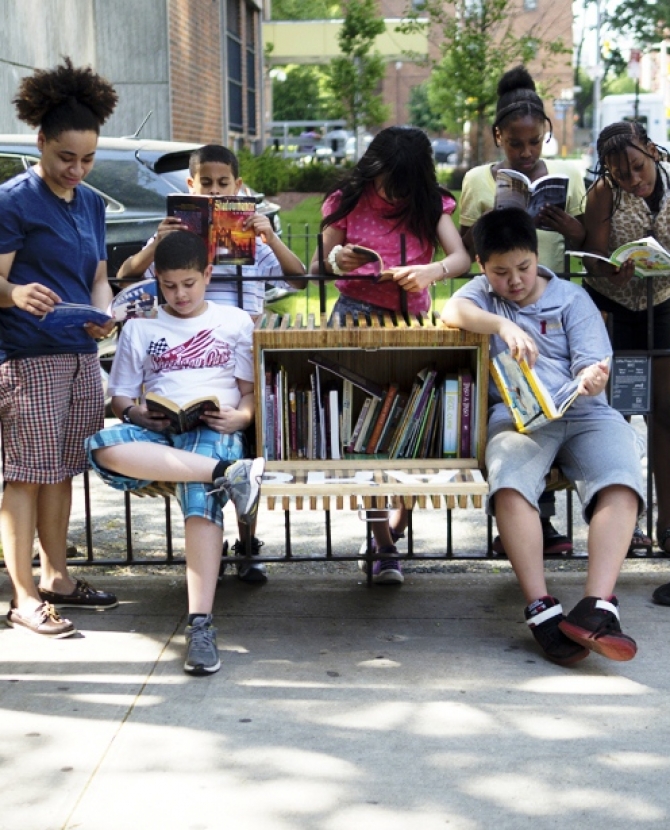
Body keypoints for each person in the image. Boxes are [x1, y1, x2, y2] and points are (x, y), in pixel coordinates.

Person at [441, 207, 644, 666]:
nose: (514, 281)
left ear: (536, 256)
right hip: (520, 420)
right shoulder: (485, 299)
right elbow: (451, 308)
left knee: (621, 476)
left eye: (524, 268)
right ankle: (540, 607)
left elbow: (594, 364)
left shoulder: (572, 299)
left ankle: (597, 606)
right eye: (500, 272)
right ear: (482, 267)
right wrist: (503, 324)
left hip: (585, 411)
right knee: (509, 483)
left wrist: (592, 377)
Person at [118, 144, 306, 582]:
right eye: (207, 183)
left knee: (249, 447)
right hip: (194, 361)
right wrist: (155, 244)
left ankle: (248, 543)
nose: (216, 189)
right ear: (191, 187)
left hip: (241, 351)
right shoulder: (176, 246)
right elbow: (126, 277)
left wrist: (270, 237)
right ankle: (211, 539)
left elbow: (298, 278)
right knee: (200, 446)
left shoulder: (255, 247)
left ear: (238, 187)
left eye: (224, 183)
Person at [87, 230, 265, 676]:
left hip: (213, 426)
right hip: (162, 432)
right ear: (156, 279)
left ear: (207, 274)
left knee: (198, 493)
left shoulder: (235, 321)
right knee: (102, 446)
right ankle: (231, 472)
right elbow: (120, 399)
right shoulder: (141, 328)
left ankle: (200, 623)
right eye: (169, 286)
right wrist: (137, 414)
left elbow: (249, 398)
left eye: (189, 283)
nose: (180, 294)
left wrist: (240, 420)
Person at [308, 125, 471, 585]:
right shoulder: (348, 198)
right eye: (384, 180)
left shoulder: (428, 201)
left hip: (412, 321)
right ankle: (382, 541)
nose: (389, 192)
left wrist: (430, 271)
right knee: (365, 432)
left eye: (399, 183)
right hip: (355, 316)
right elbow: (319, 266)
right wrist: (337, 260)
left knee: (412, 428)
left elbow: (460, 258)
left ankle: (392, 532)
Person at [0, 58, 119, 638]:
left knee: (64, 469)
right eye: (66, 157)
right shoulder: (13, 200)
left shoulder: (92, 203)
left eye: (88, 158)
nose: (77, 169)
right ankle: (23, 597)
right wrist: (15, 291)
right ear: (40, 142)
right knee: (25, 474)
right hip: (26, 359)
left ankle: (58, 578)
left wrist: (103, 313)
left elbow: (98, 274)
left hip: (77, 353)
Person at [459, 65, 592, 558]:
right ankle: (512, 522)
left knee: (555, 404)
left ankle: (547, 523)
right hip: (501, 302)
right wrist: (496, 217)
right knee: (513, 413)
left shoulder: (569, 176)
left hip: (553, 304)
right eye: (517, 145)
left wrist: (569, 227)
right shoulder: (477, 179)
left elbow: (583, 244)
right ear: (499, 138)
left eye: (535, 143)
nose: (528, 153)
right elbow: (466, 248)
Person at [582, 121, 670, 570]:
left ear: (652, 151)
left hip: (666, 306)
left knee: (666, 414)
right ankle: (623, 523)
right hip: (618, 311)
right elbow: (596, 259)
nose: (634, 180)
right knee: (615, 420)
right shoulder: (603, 193)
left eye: (638, 167)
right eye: (622, 174)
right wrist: (610, 272)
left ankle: (668, 525)